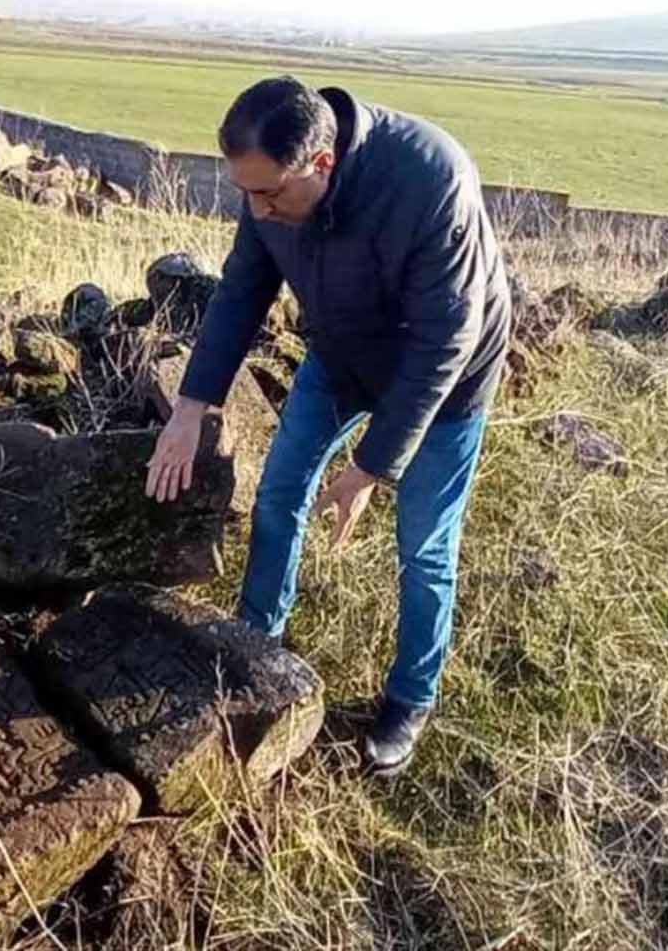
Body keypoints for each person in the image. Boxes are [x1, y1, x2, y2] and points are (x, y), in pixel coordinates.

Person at [144, 76, 512, 777]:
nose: (256, 210)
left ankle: (409, 701)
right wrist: (191, 408)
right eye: (246, 193)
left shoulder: (430, 178)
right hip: (341, 352)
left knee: (423, 547)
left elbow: (445, 341)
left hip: (446, 379)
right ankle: (258, 648)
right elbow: (242, 291)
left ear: (322, 163)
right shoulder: (270, 187)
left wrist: (372, 467)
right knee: (281, 491)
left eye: (270, 195)